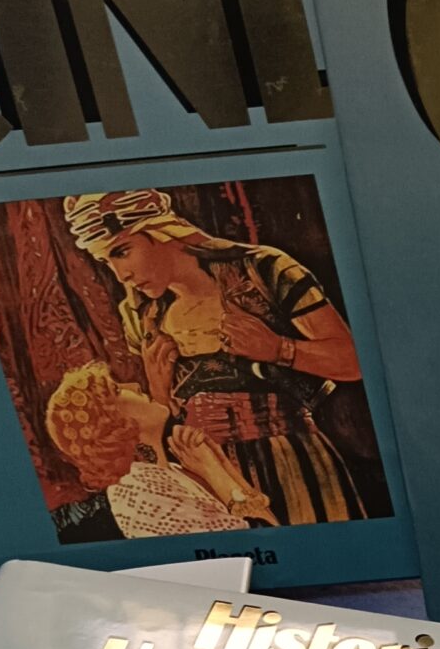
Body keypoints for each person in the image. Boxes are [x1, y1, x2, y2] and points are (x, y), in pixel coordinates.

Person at [61, 186, 381, 528]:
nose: (120, 274)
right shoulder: (139, 313)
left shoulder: (265, 268)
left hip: (294, 461)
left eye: (122, 251)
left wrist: (280, 349)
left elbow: (355, 360)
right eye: (105, 262)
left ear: (160, 230)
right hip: (206, 477)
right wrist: (158, 391)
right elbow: (159, 425)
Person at [43, 362, 268, 539]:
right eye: (117, 390)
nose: (135, 386)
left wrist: (216, 462)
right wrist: (213, 470)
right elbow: (257, 542)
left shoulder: (170, 470)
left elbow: (269, 523)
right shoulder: (137, 493)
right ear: (108, 423)